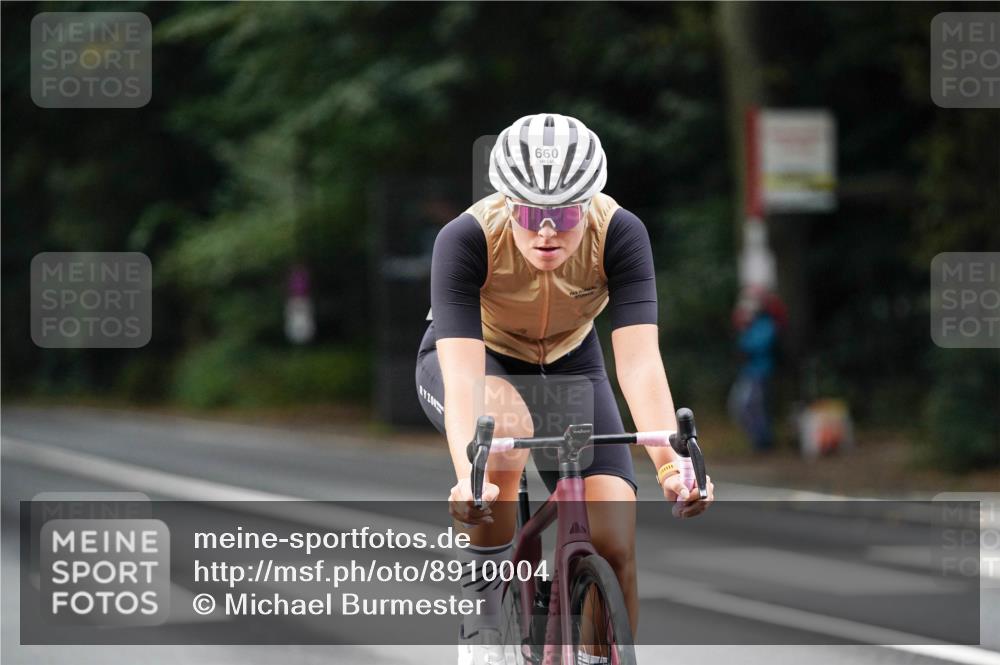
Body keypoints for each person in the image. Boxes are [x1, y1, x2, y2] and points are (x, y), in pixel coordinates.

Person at [414, 113, 715, 665]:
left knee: (615, 541)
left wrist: (673, 468)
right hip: (480, 358)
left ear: (590, 203)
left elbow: (640, 363)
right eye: (529, 213)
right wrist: (468, 478)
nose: (546, 231)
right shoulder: (464, 239)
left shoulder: (621, 233)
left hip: (573, 362)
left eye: (565, 213)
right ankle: (482, 616)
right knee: (503, 433)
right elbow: (462, 377)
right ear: (507, 203)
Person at [729, 285, 785, 452]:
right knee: (744, 407)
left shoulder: (766, 324)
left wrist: (744, 345)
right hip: (749, 372)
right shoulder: (752, 325)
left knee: (754, 407)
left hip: (761, 372)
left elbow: (756, 346)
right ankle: (759, 440)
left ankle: (764, 442)